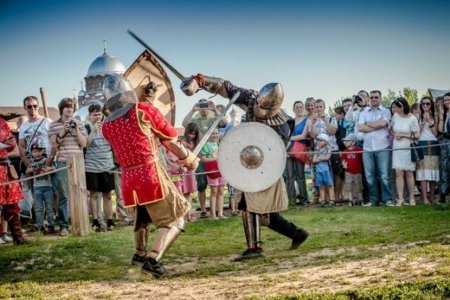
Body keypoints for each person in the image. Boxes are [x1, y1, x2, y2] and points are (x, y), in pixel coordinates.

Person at [182, 73, 309, 261]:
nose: (258, 109)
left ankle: (254, 248)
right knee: (263, 214)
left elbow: (273, 153)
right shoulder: (250, 98)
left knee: (251, 207)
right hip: (244, 164)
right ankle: (296, 233)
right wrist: (200, 81)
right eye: (258, 104)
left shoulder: (283, 125)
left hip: (262, 169)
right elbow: (226, 87)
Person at [101, 74, 199, 278]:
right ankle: (153, 260)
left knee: (142, 219)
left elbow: (135, 128)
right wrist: (188, 157)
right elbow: (170, 137)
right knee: (176, 219)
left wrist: (147, 101)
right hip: (150, 174)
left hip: (129, 178)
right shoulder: (143, 111)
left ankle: (139, 254)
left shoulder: (106, 126)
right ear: (128, 91)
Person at [49, 98, 87, 236]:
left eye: (72, 107)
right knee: (63, 195)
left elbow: (83, 144)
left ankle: (80, 222)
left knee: (79, 193)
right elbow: (54, 144)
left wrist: (76, 128)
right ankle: (64, 225)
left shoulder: (79, 123)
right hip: (62, 161)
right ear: (61, 109)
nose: (70, 109)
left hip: (78, 161)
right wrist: (63, 131)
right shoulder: (54, 125)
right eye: (67, 107)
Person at [19, 96, 53, 225]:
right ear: (25, 108)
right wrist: (28, 165)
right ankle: (39, 222)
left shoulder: (47, 121)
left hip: (47, 161)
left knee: (53, 193)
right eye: (29, 106)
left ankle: (53, 220)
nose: (33, 108)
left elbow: (54, 142)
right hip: (32, 163)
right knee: (36, 195)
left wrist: (49, 162)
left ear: (38, 106)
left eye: (35, 106)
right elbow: (21, 147)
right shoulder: (24, 126)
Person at [182, 99, 219, 218]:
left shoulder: (213, 118)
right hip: (199, 156)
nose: (204, 109)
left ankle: (216, 210)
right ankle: (203, 209)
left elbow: (223, 121)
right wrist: (193, 110)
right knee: (201, 184)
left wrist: (215, 109)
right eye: (202, 106)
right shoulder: (196, 120)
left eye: (206, 106)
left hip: (212, 155)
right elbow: (185, 123)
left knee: (216, 183)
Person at [358, 90, 394, 206]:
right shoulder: (364, 112)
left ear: (380, 98)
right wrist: (376, 125)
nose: (374, 99)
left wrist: (368, 123)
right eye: (372, 97)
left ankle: (387, 199)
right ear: (369, 98)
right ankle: (373, 200)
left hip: (382, 147)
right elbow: (359, 128)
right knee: (369, 176)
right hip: (367, 148)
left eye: (376, 97)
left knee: (384, 175)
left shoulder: (386, 111)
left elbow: (383, 124)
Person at [84, 103, 116, 231]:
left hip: (107, 165)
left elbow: (113, 142)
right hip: (91, 166)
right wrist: (93, 131)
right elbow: (86, 144)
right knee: (93, 195)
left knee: (107, 195)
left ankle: (109, 220)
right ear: (90, 115)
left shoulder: (107, 126)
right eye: (94, 114)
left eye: (99, 114)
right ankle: (95, 220)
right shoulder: (86, 127)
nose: (97, 117)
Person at [0, 117, 26, 244]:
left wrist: (10, 143)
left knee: (12, 205)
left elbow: (13, 148)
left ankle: (18, 237)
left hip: (5, 167)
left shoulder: (2, 123)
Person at [390, 97, 420, 206]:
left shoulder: (412, 118)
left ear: (403, 106)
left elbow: (417, 135)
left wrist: (403, 135)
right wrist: (394, 134)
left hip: (408, 147)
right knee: (398, 173)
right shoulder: (395, 116)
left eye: (397, 107)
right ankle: (400, 198)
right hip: (397, 147)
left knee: (409, 173)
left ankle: (412, 198)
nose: (395, 109)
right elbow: (391, 129)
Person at [26, 139, 55, 233]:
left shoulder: (46, 160)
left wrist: (49, 169)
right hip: (37, 188)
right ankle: (40, 226)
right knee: (38, 208)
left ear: (42, 151)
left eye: (39, 151)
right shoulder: (30, 163)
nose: (37, 153)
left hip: (48, 187)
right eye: (35, 151)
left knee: (49, 207)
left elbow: (53, 168)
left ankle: (51, 226)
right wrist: (29, 171)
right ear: (31, 153)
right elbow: (27, 173)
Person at [286, 100, 310, 205]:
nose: (299, 109)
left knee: (300, 176)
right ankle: (291, 200)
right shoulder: (290, 121)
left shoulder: (306, 120)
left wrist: (290, 139)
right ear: (293, 109)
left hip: (300, 151)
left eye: (301, 107)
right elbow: (285, 135)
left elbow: (303, 136)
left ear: (303, 108)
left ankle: (304, 199)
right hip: (288, 151)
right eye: (297, 107)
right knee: (289, 176)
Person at [199, 128, 226, 220]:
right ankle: (213, 214)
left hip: (221, 170)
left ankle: (221, 213)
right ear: (209, 135)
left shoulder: (220, 144)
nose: (215, 135)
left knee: (221, 191)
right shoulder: (206, 145)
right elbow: (203, 159)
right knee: (214, 192)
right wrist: (215, 159)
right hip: (212, 170)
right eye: (213, 133)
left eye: (216, 133)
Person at [416, 96, 439, 204]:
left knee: (433, 172)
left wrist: (430, 121)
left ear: (431, 105)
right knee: (423, 173)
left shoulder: (436, 116)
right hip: (422, 144)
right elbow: (417, 135)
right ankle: (425, 198)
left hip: (434, 145)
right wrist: (422, 123)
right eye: (423, 103)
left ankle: (432, 197)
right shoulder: (417, 117)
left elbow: (436, 133)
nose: (425, 105)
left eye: (428, 104)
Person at [179, 122, 200, 221]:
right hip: (180, 170)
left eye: (194, 134)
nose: (192, 135)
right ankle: (182, 215)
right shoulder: (180, 140)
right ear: (187, 132)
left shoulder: (195, 143)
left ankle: (188, 214)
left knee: (188, 193)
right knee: (180, 193)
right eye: (190, 133)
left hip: (190, 170)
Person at [312, 134, 335, 206]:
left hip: (326, 170)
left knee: (330, 185)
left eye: (321, 140)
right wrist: (321, 158)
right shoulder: (317, 150)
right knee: (321, 186)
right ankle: (322, 200)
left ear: (326, 142)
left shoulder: (328, 149)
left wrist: (319, 158)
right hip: (319, 171)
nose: (319, 142)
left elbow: (327, 158)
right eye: (318, 140)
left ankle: (331, 200)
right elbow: (314, 160)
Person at [340, 133, 363, 206]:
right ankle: (351, 200)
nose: (345, 142)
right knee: (349, 186)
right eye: (345, 141)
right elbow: (343, 160)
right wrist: (344, 164)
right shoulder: (344, 151)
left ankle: (360, 199)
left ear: (353, 142)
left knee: (358, 185)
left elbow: (361, 158)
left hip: (357, 172)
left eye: (347, 141)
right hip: (348, 172)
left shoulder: (358, 150)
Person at [437, 92, 450, 203]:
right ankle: (443, 194)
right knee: (444, 168)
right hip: (445, 144)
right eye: (445, 100)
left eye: (448, 100)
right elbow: (441, 130)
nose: (446, 102)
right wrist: (441, 115)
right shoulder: (446, 113)